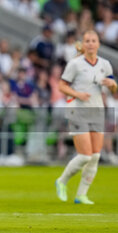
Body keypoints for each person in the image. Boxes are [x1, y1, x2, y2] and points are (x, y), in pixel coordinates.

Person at [55, 30, 117, 205]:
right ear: (83, 44)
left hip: (97, 111)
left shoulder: (105, 64)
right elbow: (62, 85)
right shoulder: (74, 64)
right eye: (87, 40)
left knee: (96, 155)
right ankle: (62, 181)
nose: (90, 43)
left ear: (98, 44)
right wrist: (77, 94)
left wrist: (113, 85)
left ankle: (81, 195)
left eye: (93, 40)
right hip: (77, 111)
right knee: (85, 156)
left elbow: (112, 88)